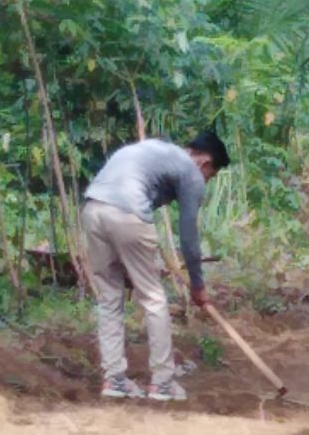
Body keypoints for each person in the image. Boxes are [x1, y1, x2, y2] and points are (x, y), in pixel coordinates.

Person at [83, 130, 230, 401]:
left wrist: (133, 263)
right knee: (153, 299)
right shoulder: (191, 172)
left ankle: (114, 380)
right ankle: (162, 382)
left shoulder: (158, 152)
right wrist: (198, 285)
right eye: (212, 175)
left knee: (109, 298)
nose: (206, 181)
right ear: (205, 163)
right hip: (128, 212)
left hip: (93, 209)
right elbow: (188, 236)